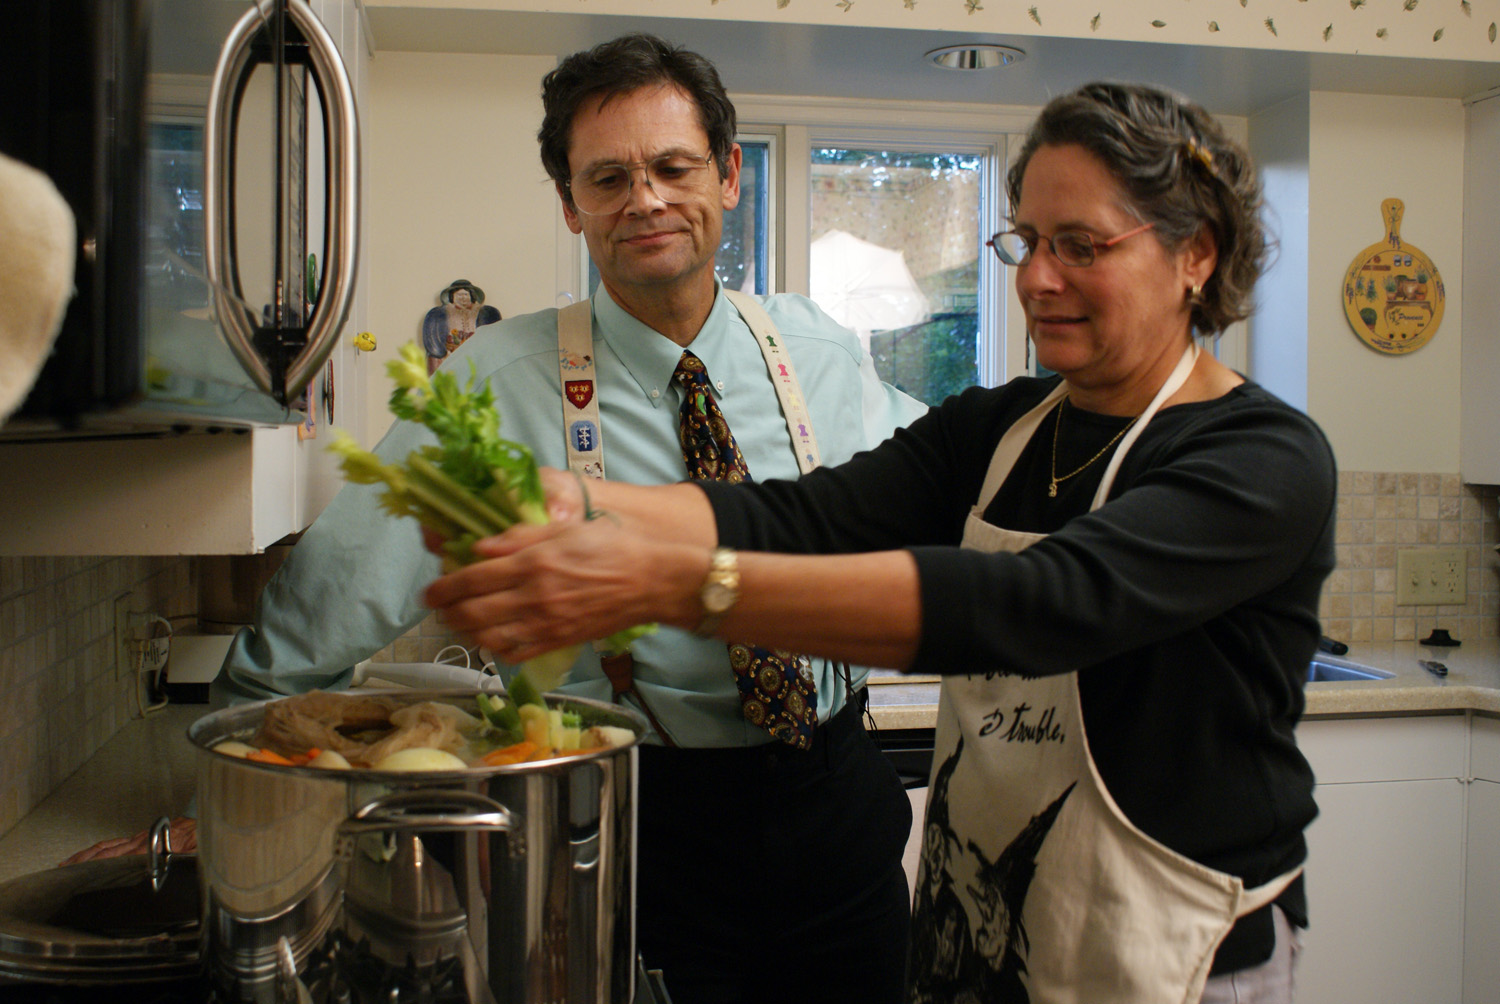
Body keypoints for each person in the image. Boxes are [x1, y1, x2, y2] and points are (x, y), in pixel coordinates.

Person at [424, 81, 1336, 1004]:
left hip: (1171, 951)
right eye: (1025, 242)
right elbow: (802, 516)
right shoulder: (1003, 427)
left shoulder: (1260, 457)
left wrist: (666, 583)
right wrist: (573, 507)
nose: (1037, 278)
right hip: (981, 930)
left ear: (1196, 255)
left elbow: (1034, 605)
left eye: (1081, 247)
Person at [91, 32, 919, 1004]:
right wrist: (234, 789)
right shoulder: (495, 377)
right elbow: (337, 587)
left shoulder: (813, 347)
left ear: (730, 175)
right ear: (571, 205)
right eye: (608, 176)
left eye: (672, 166)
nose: (645, 196)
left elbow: (954, 489)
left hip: (836, 804)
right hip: (625, 816)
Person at [422, 278, 501, 374]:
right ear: (452, 297)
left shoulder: (484, 312)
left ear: (472, 296)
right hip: (450, 355)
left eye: (465, 294)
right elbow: (435, 343)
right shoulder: (441, 313)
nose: (463, 298)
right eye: (459, 295)